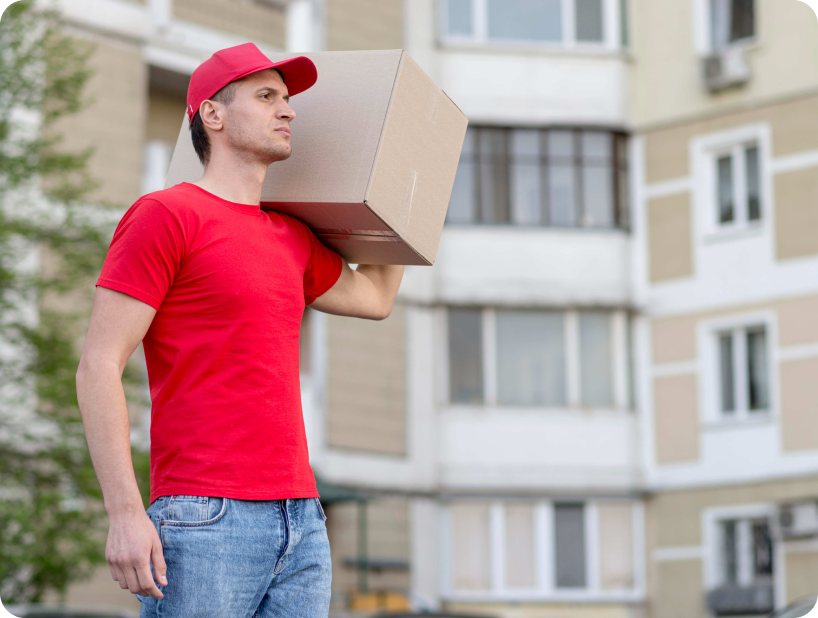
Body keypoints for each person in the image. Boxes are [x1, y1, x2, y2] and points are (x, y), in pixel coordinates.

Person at [75, 42, 405, 618]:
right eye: (266, 95)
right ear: (213, 114)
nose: (289, 110)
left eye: (287, 98)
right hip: (205, 516)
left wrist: (408, 189)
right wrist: (126, 513)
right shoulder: (166, 214)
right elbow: (99, 364)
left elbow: (376, 297)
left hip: (302, 518)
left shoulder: (291, 237)